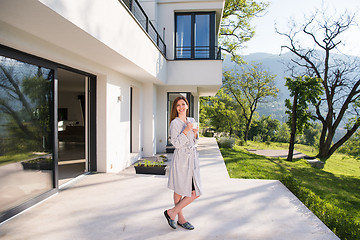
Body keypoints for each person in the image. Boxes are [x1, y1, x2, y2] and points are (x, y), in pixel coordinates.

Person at [164, 96, 201, 230]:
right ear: (175, 108)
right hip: (181, 159)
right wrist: (186, 130)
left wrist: (196, 134)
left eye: (183, 104)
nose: (181, 107)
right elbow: (177, 144)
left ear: (187, 106)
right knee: (179, 190)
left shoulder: (191, 120)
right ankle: (181, 218)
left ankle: (171, 212)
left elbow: (195, 142)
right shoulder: (174, 123)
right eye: (178, 105)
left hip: (192, 159)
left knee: (195, 192)